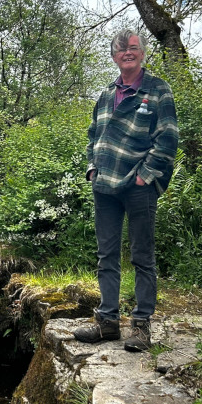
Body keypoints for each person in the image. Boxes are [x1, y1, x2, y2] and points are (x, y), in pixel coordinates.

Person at [73, 30, 179, 352]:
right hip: (104, 185)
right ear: (114, 56)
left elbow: (168, 139)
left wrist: (145, 176)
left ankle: (141, 327)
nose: (127, 52)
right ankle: (107, 323)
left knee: (142, 256)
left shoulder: (158, 90)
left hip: (138, 187)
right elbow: (94, 135)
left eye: (133, 47)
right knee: (106, 255)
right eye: (121, 49)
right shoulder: (106, 94)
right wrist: (92, 167)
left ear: (142, 53)